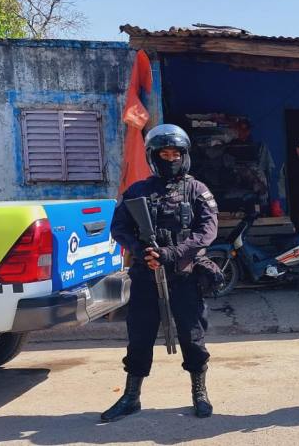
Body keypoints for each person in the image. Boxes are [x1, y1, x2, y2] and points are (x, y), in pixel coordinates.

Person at [102, 124, 220, 422]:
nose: (171, 159)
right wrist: (142, 251)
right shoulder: (137, 191)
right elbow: (119, 227)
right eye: (164, 154)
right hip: (146, 276)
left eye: (175, 154)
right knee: (139, 337)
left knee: (193, 337)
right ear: (154, 157)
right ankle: (131, 396)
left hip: (184, 275)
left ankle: (199, 392)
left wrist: (173, 253)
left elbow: (207, 231)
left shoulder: (197, 190)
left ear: (184, 155)